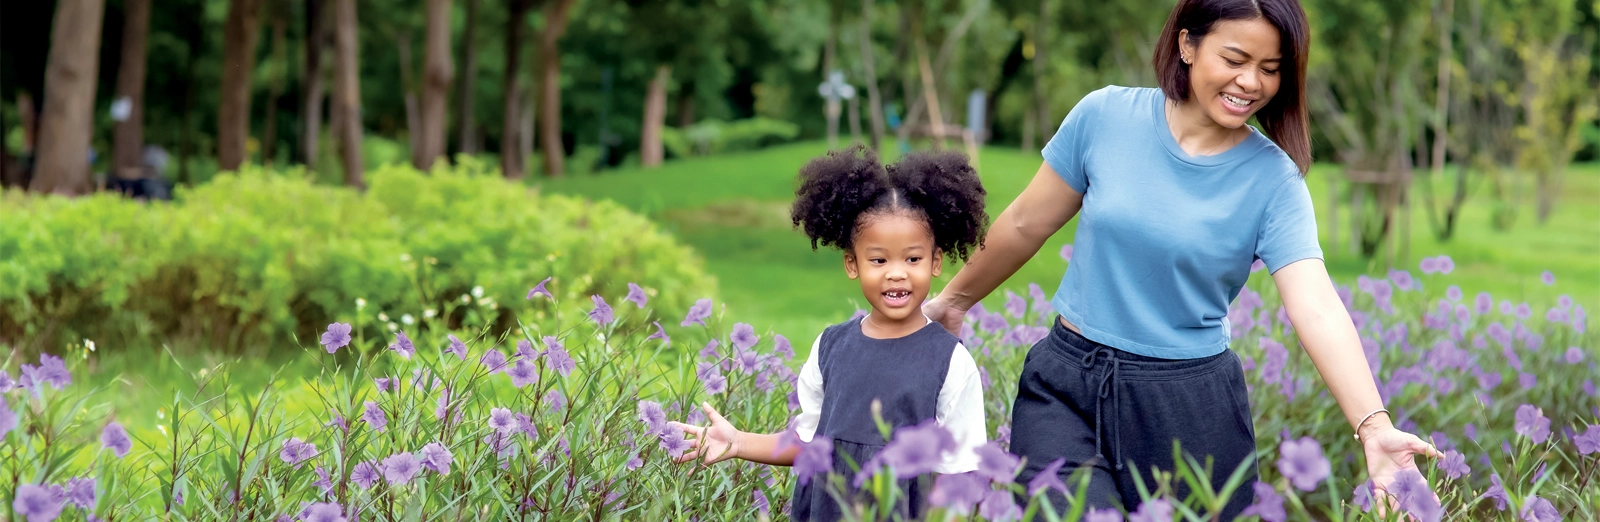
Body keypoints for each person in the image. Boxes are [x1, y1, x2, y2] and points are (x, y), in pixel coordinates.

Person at [920, 0, 1442, 518]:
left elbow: (1316, 307)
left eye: (1270, 69)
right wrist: (952, 301)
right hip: (1068, 386)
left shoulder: (1274, 181)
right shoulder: (1105, 116)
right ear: (1187, 44)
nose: (1250, 83)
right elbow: (1024, 224)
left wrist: (1374, 427)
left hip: (1189, 411)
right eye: (1234, 60)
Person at [670, 147, 991, 520]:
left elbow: (965, 471)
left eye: (913, 258)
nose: (897, 272)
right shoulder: (831, 346)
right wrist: (739, 442)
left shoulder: (949, 360)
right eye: (879, 259)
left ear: (936, 262)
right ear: (852, 264)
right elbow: (810, 444)